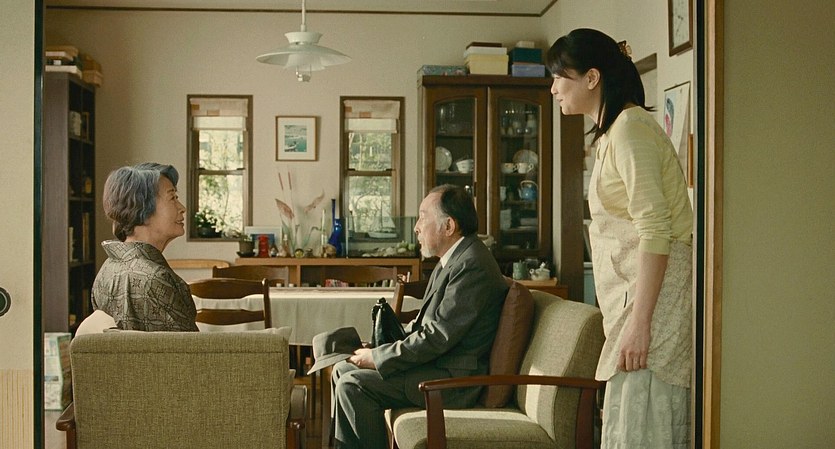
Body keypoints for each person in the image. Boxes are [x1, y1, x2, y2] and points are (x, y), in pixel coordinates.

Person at [547, 28, 693, 448]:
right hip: (635, 300)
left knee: (641, 427)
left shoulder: (631, 129)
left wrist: (640, 324)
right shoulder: (614, 133)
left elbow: (656, 228)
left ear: (592, 78)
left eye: (559, 77)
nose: (553, 89)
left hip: (653, 305)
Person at [331, 184, 508, 449]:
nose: (416, 228)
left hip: (453, 380)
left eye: (423, 217)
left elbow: (438, 336)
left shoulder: (473, 265)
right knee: (341, 369)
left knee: (353, 384)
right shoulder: (452, 259)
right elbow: (425, 326)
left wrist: (379, 358)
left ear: (449, 226)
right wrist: (379, 349)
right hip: (437, 364)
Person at [91, 162, 198, 332]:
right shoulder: (155, 278)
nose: (182, 208)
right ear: (142, 208)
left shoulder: (108, 268)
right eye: (172, 198)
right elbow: (190, 348)